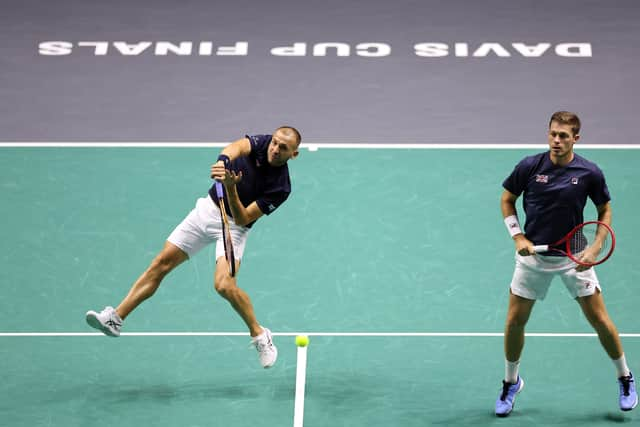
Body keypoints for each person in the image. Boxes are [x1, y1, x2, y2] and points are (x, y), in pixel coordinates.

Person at [86, 126, 302, 368]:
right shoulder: (262, 144)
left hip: (233, 228)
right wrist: (223, 161)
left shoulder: (281, 188)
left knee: (224, 285)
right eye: (274, 143)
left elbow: (242, 218)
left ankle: (260, 334)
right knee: (161, 262)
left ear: (293, 154)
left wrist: (230, 187)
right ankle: (115, 318)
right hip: (208, 210)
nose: (275, 148)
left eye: (283, 148)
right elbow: (235, 147)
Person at [495, 111, 637, 416]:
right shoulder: (529, 166)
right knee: (514, 322)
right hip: (534, 256)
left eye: (563, 136)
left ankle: (625, 377)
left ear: (576, 138)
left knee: (599, 319)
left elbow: (605, 208)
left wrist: (595, 247)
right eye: (552, 134)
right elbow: (507, 199)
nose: (556, 140)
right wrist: (518, 237)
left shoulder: (589, 172)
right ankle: (510, 382)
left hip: (575, 256)